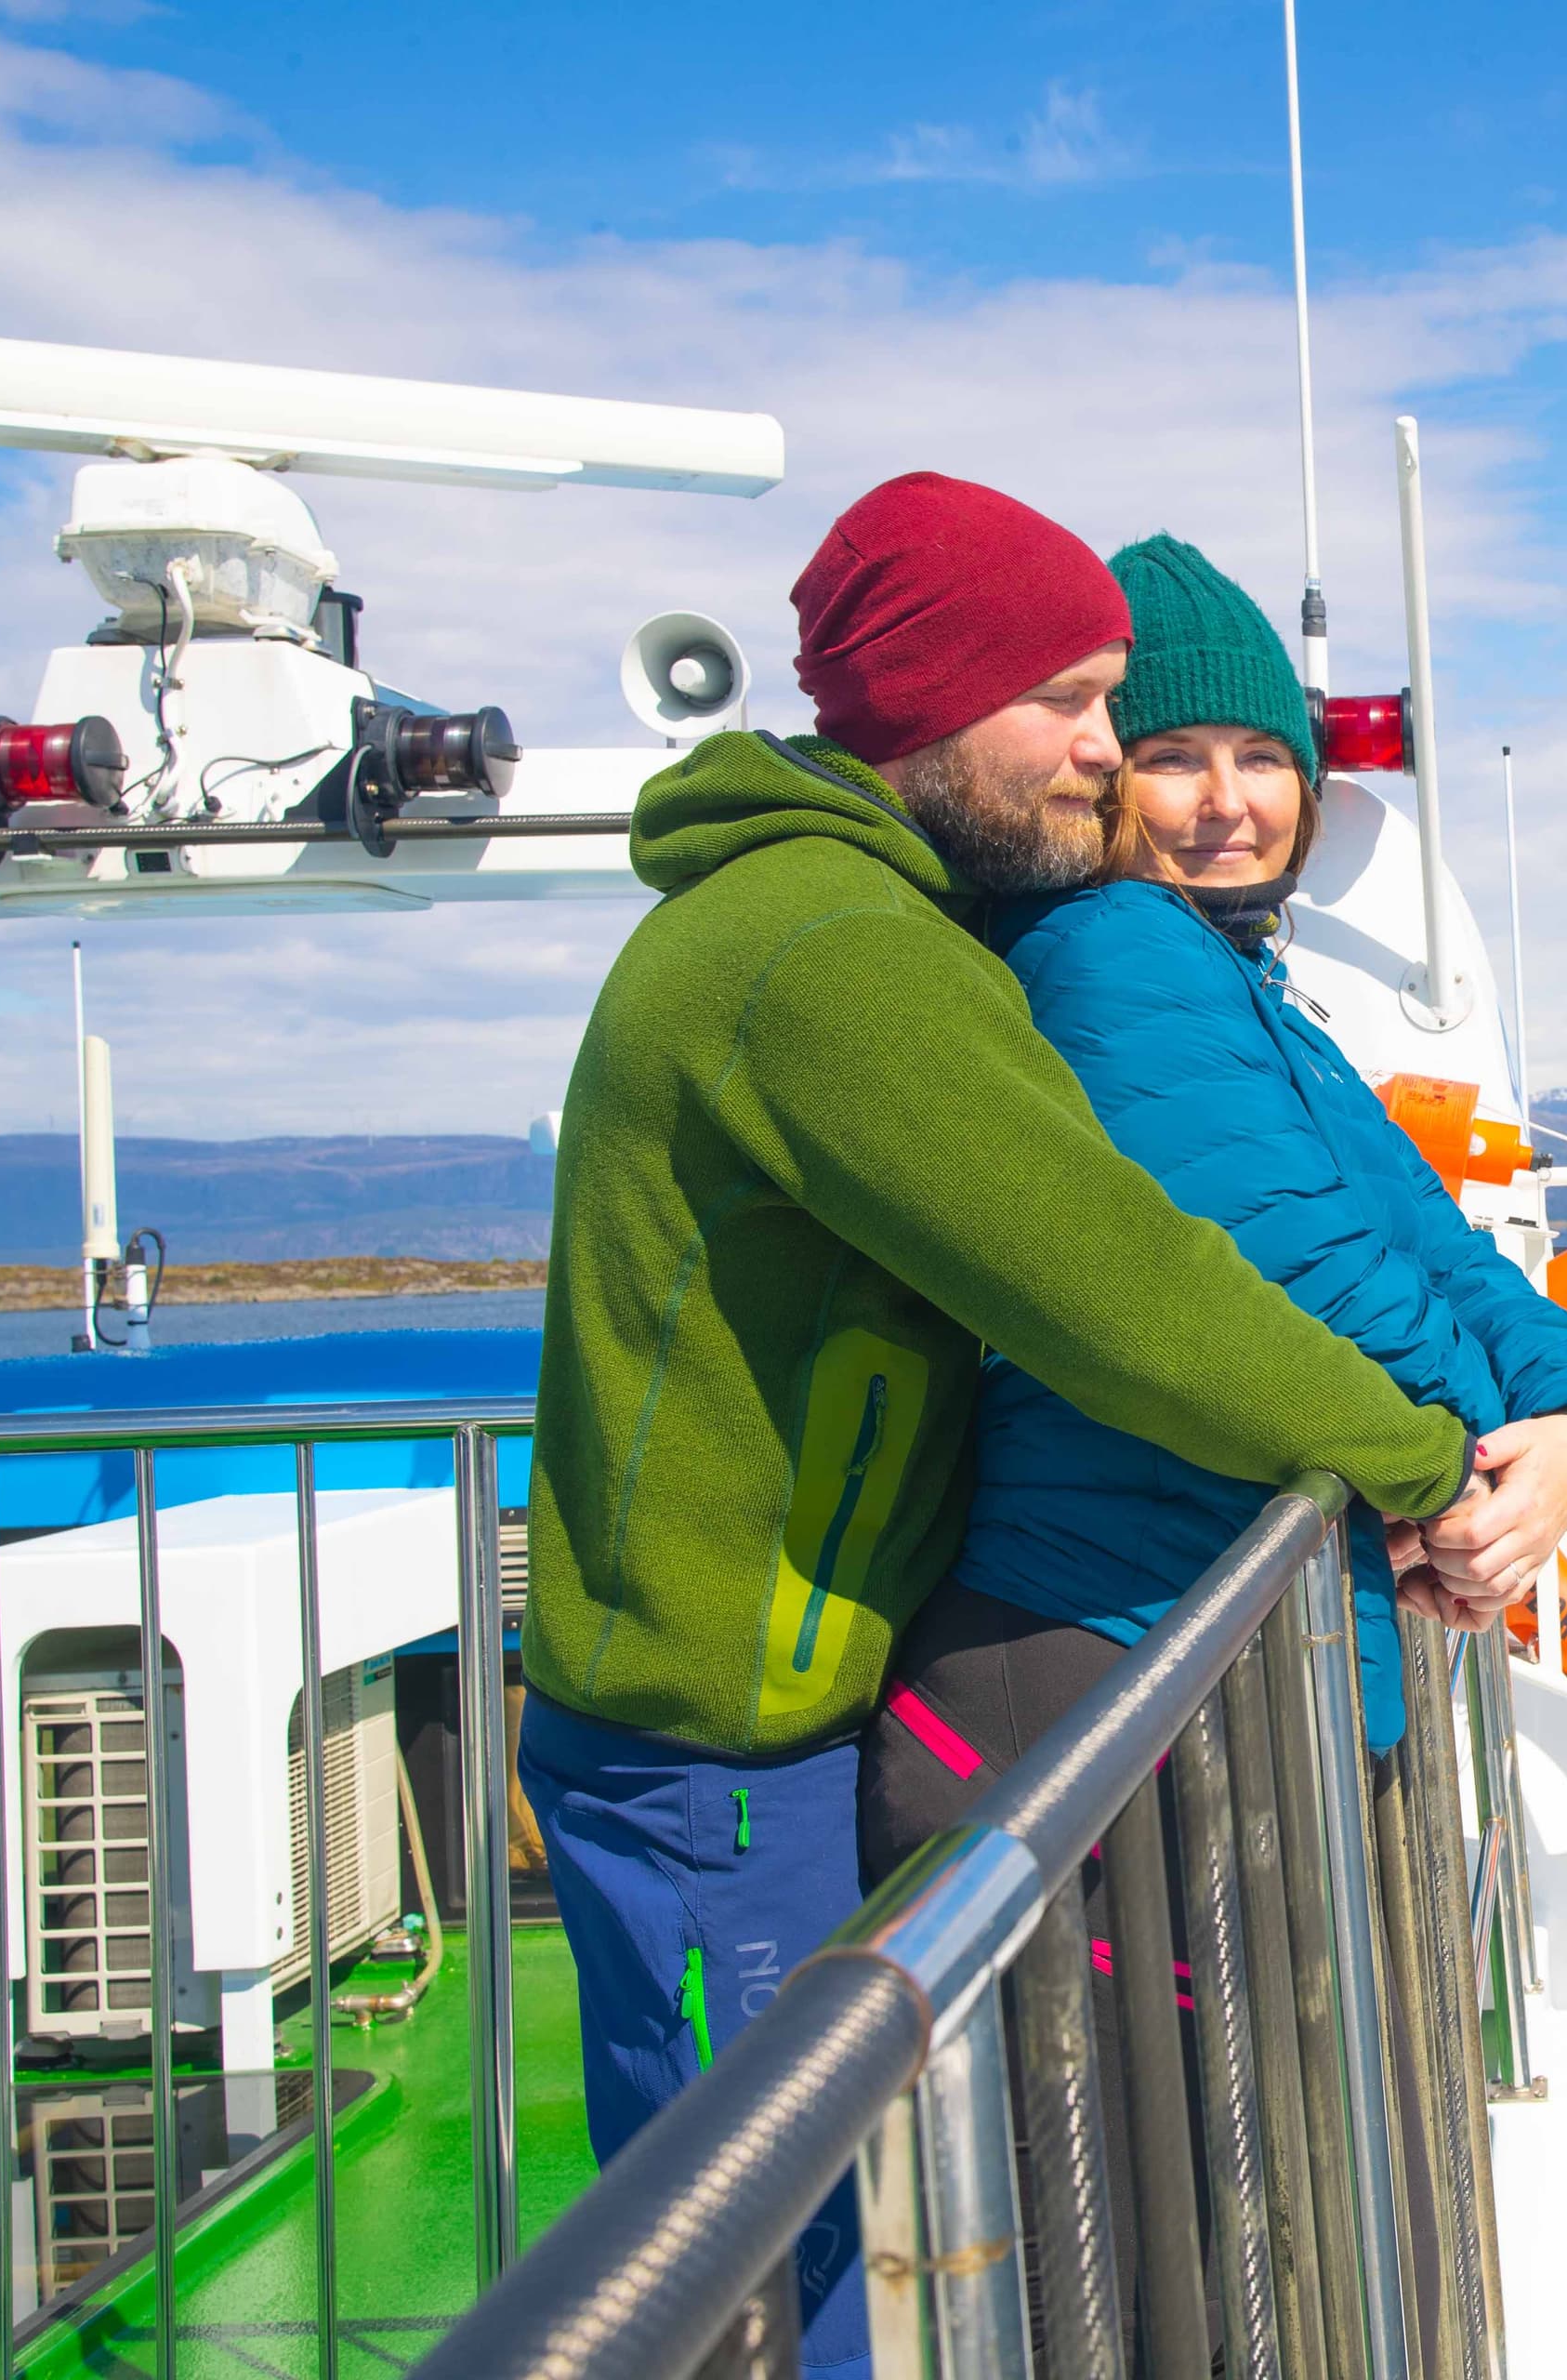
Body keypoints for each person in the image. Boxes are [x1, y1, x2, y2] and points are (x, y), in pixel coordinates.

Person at [520, 477, 1480, 2380]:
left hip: (759, 1724)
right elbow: (1132, 1293)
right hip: (710, 1743)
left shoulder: (858, 920)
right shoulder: (834, 957)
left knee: (804, 2232)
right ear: (926, 704)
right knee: (756, 2273)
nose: (1107, 758)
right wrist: (1423, 1465)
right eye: (1069, 701)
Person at [859, 532, 1567, 1881]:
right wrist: (1471, 1473)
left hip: (1200, 1650)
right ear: (1103, 770)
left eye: (1264, 757)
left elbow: (1437, 1251)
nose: (1228, 802)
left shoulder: (1249, 988)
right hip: (1099, 1659)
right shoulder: (1103, 947)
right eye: (1173, 757)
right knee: (1158, 2094)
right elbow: (1284, 1262)